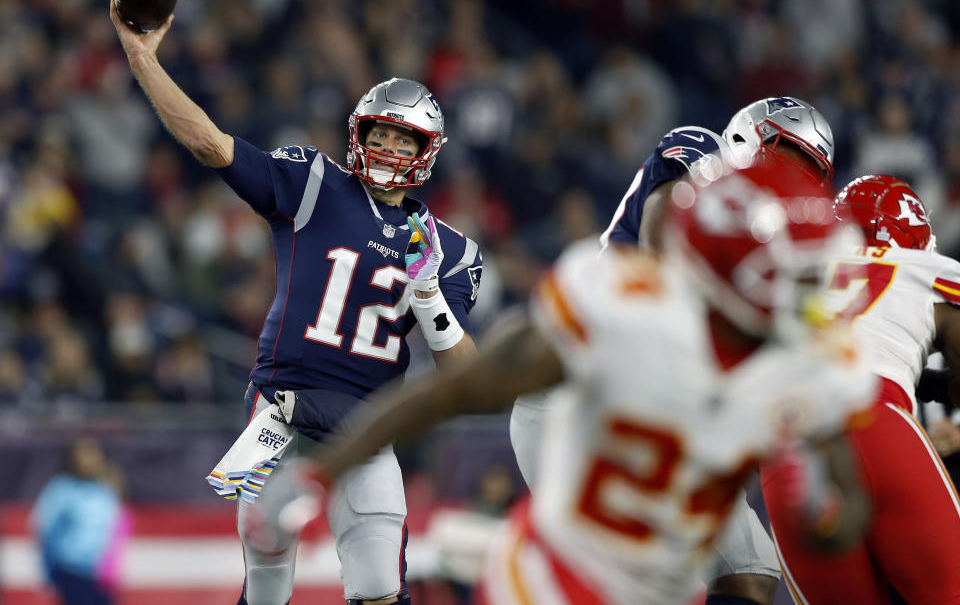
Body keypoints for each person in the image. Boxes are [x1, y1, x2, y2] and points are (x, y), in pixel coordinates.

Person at [248, 158, 877, 605]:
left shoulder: (810, 367)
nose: (816, 298)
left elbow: (845, 515)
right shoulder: (624, 310)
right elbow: (458, 389)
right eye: (796, 277)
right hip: (549, 579)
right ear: (735, 274)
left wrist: (817, 510)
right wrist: (326, 470)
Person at [109, 0, 483, 605]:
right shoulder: (312, 182)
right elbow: (209, 143)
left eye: (402, 138)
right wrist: (141, 59)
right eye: (379, 134)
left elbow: (468, 377)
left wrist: (431, 296)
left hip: (367, 429)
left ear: (428, 151)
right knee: (262, 563)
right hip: (275, 413)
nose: (388, 148)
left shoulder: (451, 249)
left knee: (381, 584)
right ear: (357, 134)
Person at [511, 96, 835, 605]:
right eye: (785, 158)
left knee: (750, 572)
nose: (790, 181)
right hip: (580, 393)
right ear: (750, 139)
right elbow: (662, 257)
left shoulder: (764, 249)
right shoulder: (702, 161)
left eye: (806, 174)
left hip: (657, 411)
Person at [762, 174, 960, 605]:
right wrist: (937, 386)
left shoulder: (793, 271)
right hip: (876, 419)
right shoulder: (923, 268)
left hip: (785, 449)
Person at [31, 437, 126, 605]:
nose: (89, 460)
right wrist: (48, 570)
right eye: (84, 455)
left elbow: (114, 534)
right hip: (71, 571)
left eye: (93, 455)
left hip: (99, 574)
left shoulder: (104, 490)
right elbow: (44, 529)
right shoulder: (61, 489)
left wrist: (112, 570)